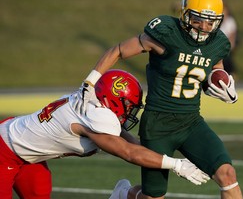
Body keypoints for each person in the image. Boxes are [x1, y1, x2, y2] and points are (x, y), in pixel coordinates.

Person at [75, 0, 243, 199]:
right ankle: (126, 193)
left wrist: (224, 84)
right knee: (153, 196)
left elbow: (214, 66)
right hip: (158, 125)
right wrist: (90, 81)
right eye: (197, 19)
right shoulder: (165, 34)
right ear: (184, 14)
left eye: (210, 22)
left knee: (227, 174)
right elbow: (118, 50)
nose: (203, 27)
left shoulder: (218, 43)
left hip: (191, 122)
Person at [0, 69, 210, 199]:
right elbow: (128, 153)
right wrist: (176, 165)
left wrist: (170, 157)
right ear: (113, 100)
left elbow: (131, 144)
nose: (130, 112)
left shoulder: (94, 104)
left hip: (28, 155)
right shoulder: (97, 116)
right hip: (4, 149)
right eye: (128, 106)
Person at [220, 3, 239, 80]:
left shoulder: (230, 21)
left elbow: (232, 33)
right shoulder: (219, 21)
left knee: (228, 60)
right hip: (219, 44)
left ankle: (232, 74)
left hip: (226, 43)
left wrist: (231, 43)